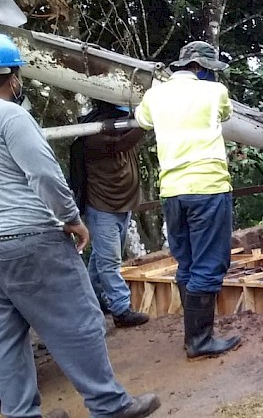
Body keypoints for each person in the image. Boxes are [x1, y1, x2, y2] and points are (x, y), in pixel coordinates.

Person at [0, 34, 159, 417]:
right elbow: (44, 176)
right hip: (31, 238)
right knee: (81, 319)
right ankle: (110, 405)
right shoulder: (12, 116)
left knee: (6, 338)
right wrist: (72, 219)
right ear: (12, 77)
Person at [135, 41, 240, 359]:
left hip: (173, 192)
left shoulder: (155, 95)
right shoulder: (214, 91)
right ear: (206, 68)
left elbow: (143, 121)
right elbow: (225, 114)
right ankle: (200, 340)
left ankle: (193, 335)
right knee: (209, 263)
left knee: (188, 262)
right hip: (208, 188)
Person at [70, 101, 149, 328]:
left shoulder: (118, 129)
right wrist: (144, 122)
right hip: (103, 207)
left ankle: (95, 297)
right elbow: (121, 144)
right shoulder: (93, 136)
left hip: (123, 205)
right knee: (109, 262)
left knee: (102, 258)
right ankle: (121, 310)